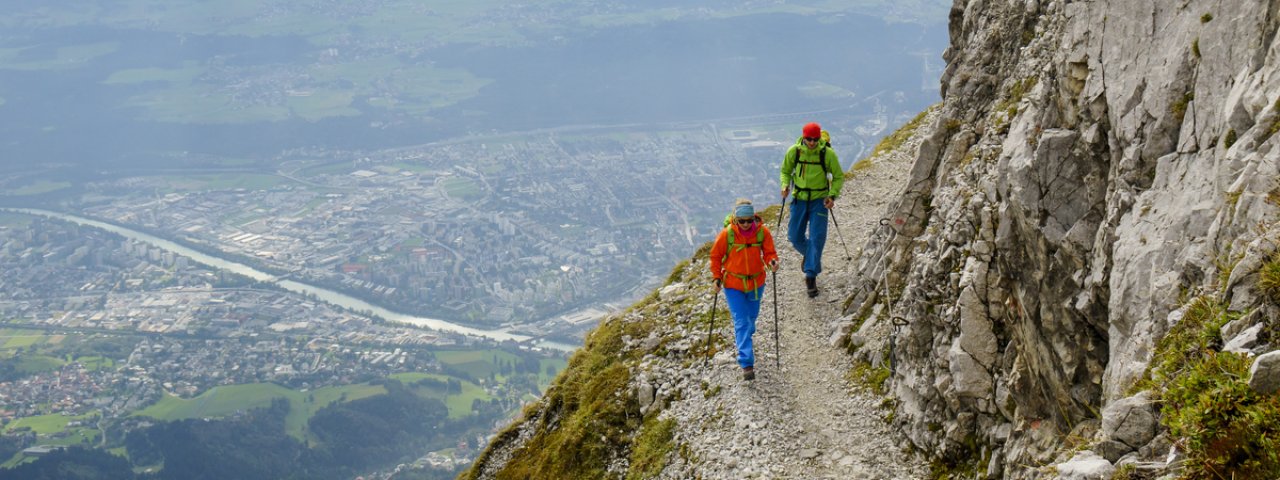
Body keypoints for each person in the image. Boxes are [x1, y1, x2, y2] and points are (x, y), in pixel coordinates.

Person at [710, 199, 779, 380]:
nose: (747, 224)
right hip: (733, 284)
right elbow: (716, 257)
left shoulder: (762, 232)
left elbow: (769, 252)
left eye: (750, 220)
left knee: (751, 318)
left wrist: (772, 261)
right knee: (741, 321)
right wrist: (716, 277)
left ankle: (746, 339)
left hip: (756, 283)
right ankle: (746, 363)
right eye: (743, 221)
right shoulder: (727, 235)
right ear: (735, 219)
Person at [780, 122, 843, 298]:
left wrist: (832, 195)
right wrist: (785, 185)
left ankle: (810, 277)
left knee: (817, 238)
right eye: (809, 139)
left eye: (815, 139)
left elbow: (838, 177)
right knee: (794, 236)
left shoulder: (827, 153)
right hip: (799, 198)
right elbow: (785, 171)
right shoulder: (795, 151)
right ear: (803, 136)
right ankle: (811, 259)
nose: (812, 142)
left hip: (819, 200)